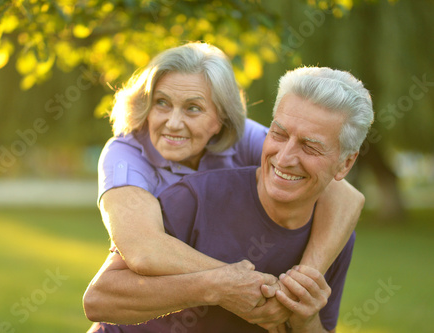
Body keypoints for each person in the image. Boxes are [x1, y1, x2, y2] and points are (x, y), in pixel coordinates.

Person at [84, 66, 374, 332]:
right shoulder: (194, 197)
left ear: (345, 164)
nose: (285, 158)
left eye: (310, 147)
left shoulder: (333, 237)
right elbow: (98, 299)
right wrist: (217, 287)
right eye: (279, 134)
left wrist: (305, 318)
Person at [96, 41, 363, 279]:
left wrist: (307, 277)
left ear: (221, 118)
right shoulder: (124, 154)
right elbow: (144, 250)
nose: (173, 123)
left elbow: (345, 196)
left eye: (193, 108)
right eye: (162, 103)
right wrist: (235, 281)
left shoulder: (242, 136)